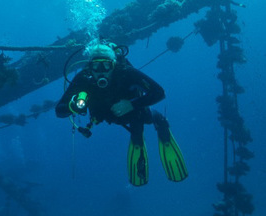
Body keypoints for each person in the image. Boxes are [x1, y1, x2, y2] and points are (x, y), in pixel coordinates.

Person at [56, 41, 188, 186]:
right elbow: (59, 110)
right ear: (89, 67)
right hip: (105, 115)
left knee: (139, 123)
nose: (101, 71)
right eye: (96, 66)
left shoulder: (126, 73)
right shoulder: (83, 79)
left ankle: (157, 122)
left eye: (106, 65)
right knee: (136, 127)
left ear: (114, 65)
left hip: (134, 112)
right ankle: (139, 138)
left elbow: (159, 93)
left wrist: (131, 105)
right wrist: (73, 106)